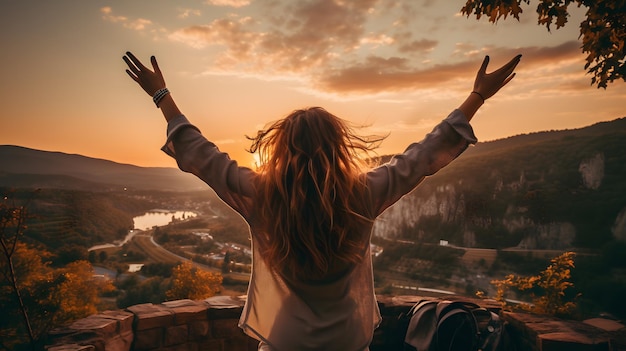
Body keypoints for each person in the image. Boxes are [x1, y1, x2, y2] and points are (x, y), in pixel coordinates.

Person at [123, 51, 521, 351]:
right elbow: (421, 157)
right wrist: (476, 96)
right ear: (338, 148)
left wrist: (161, 94)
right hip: (348, 339)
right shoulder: (363, 193)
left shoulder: (263, 196)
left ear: (281, 149)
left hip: (285, 339)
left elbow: (204, 156)